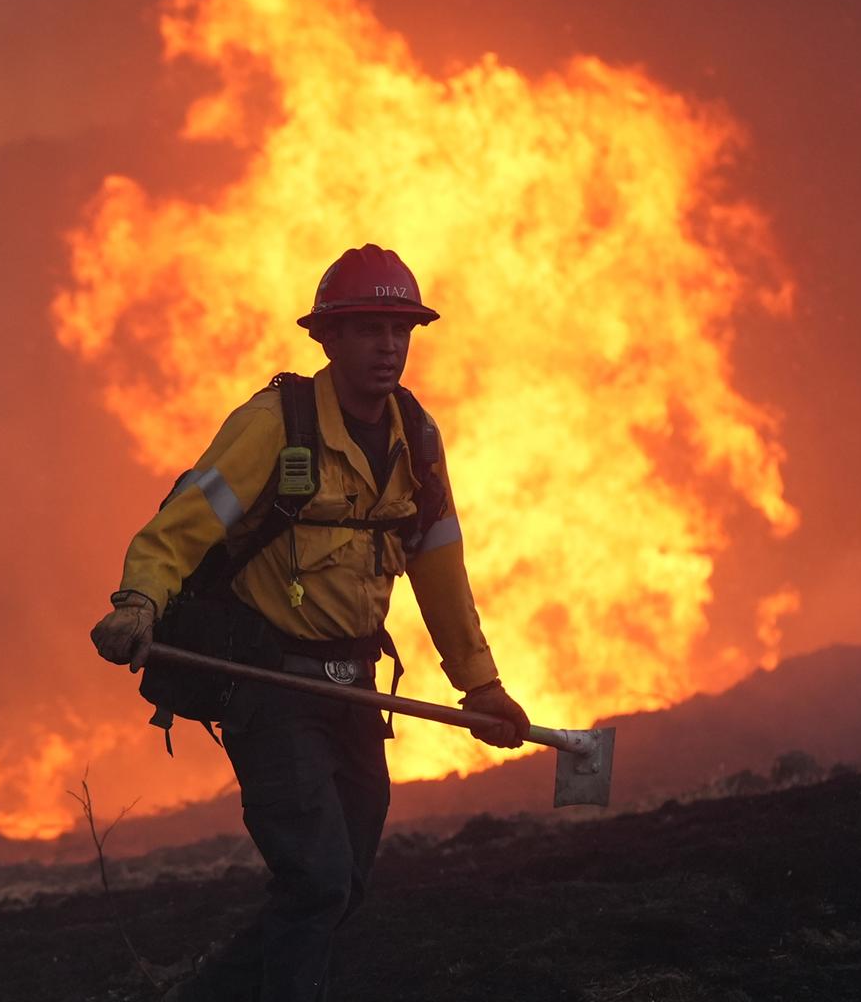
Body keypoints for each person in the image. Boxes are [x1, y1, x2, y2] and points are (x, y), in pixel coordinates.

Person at [90, 245, 531, 1002]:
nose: (387, 346)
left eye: (400, 329)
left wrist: (481, 686)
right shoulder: (274, 425)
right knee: (318, 879)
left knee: (343, 886)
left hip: (354, 691)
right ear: (327, 339)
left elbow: (440, 572)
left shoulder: (417, 441)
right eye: (367, 329)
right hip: (270, 692)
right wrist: (138, 603)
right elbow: (180, 529)